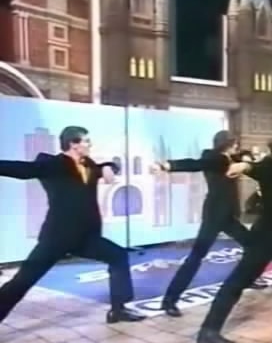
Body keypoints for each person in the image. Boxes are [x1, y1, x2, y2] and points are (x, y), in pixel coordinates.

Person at [0, 126, 233, 325]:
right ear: (74, 144)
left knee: (118, 256)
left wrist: (108, 167)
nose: (90, 145)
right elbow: (22, 169)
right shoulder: (53, 164)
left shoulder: (89, 164)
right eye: (86, 141)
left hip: (85, 237)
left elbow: (109, 166)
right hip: (57, 237)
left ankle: (118, 309)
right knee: (22, 281)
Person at [196, 134, 272, 343]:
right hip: (265, 240)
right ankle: (208, 330)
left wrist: (243, 166)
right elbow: (255, 168)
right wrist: (242, 166)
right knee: (237, 283)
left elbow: (255, 167)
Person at [156, 131, 266, 318]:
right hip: (214, 217)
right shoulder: (216, 159)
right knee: (196, 256)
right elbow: (194, 164)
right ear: (227, 144)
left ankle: (248, 278)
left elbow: (243, 156)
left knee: (252, 245)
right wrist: (168, 165)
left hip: (227, 217)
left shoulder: (229, 157)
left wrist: (250, 156)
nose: (237, 147)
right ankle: (169, 301)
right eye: (235, 144)